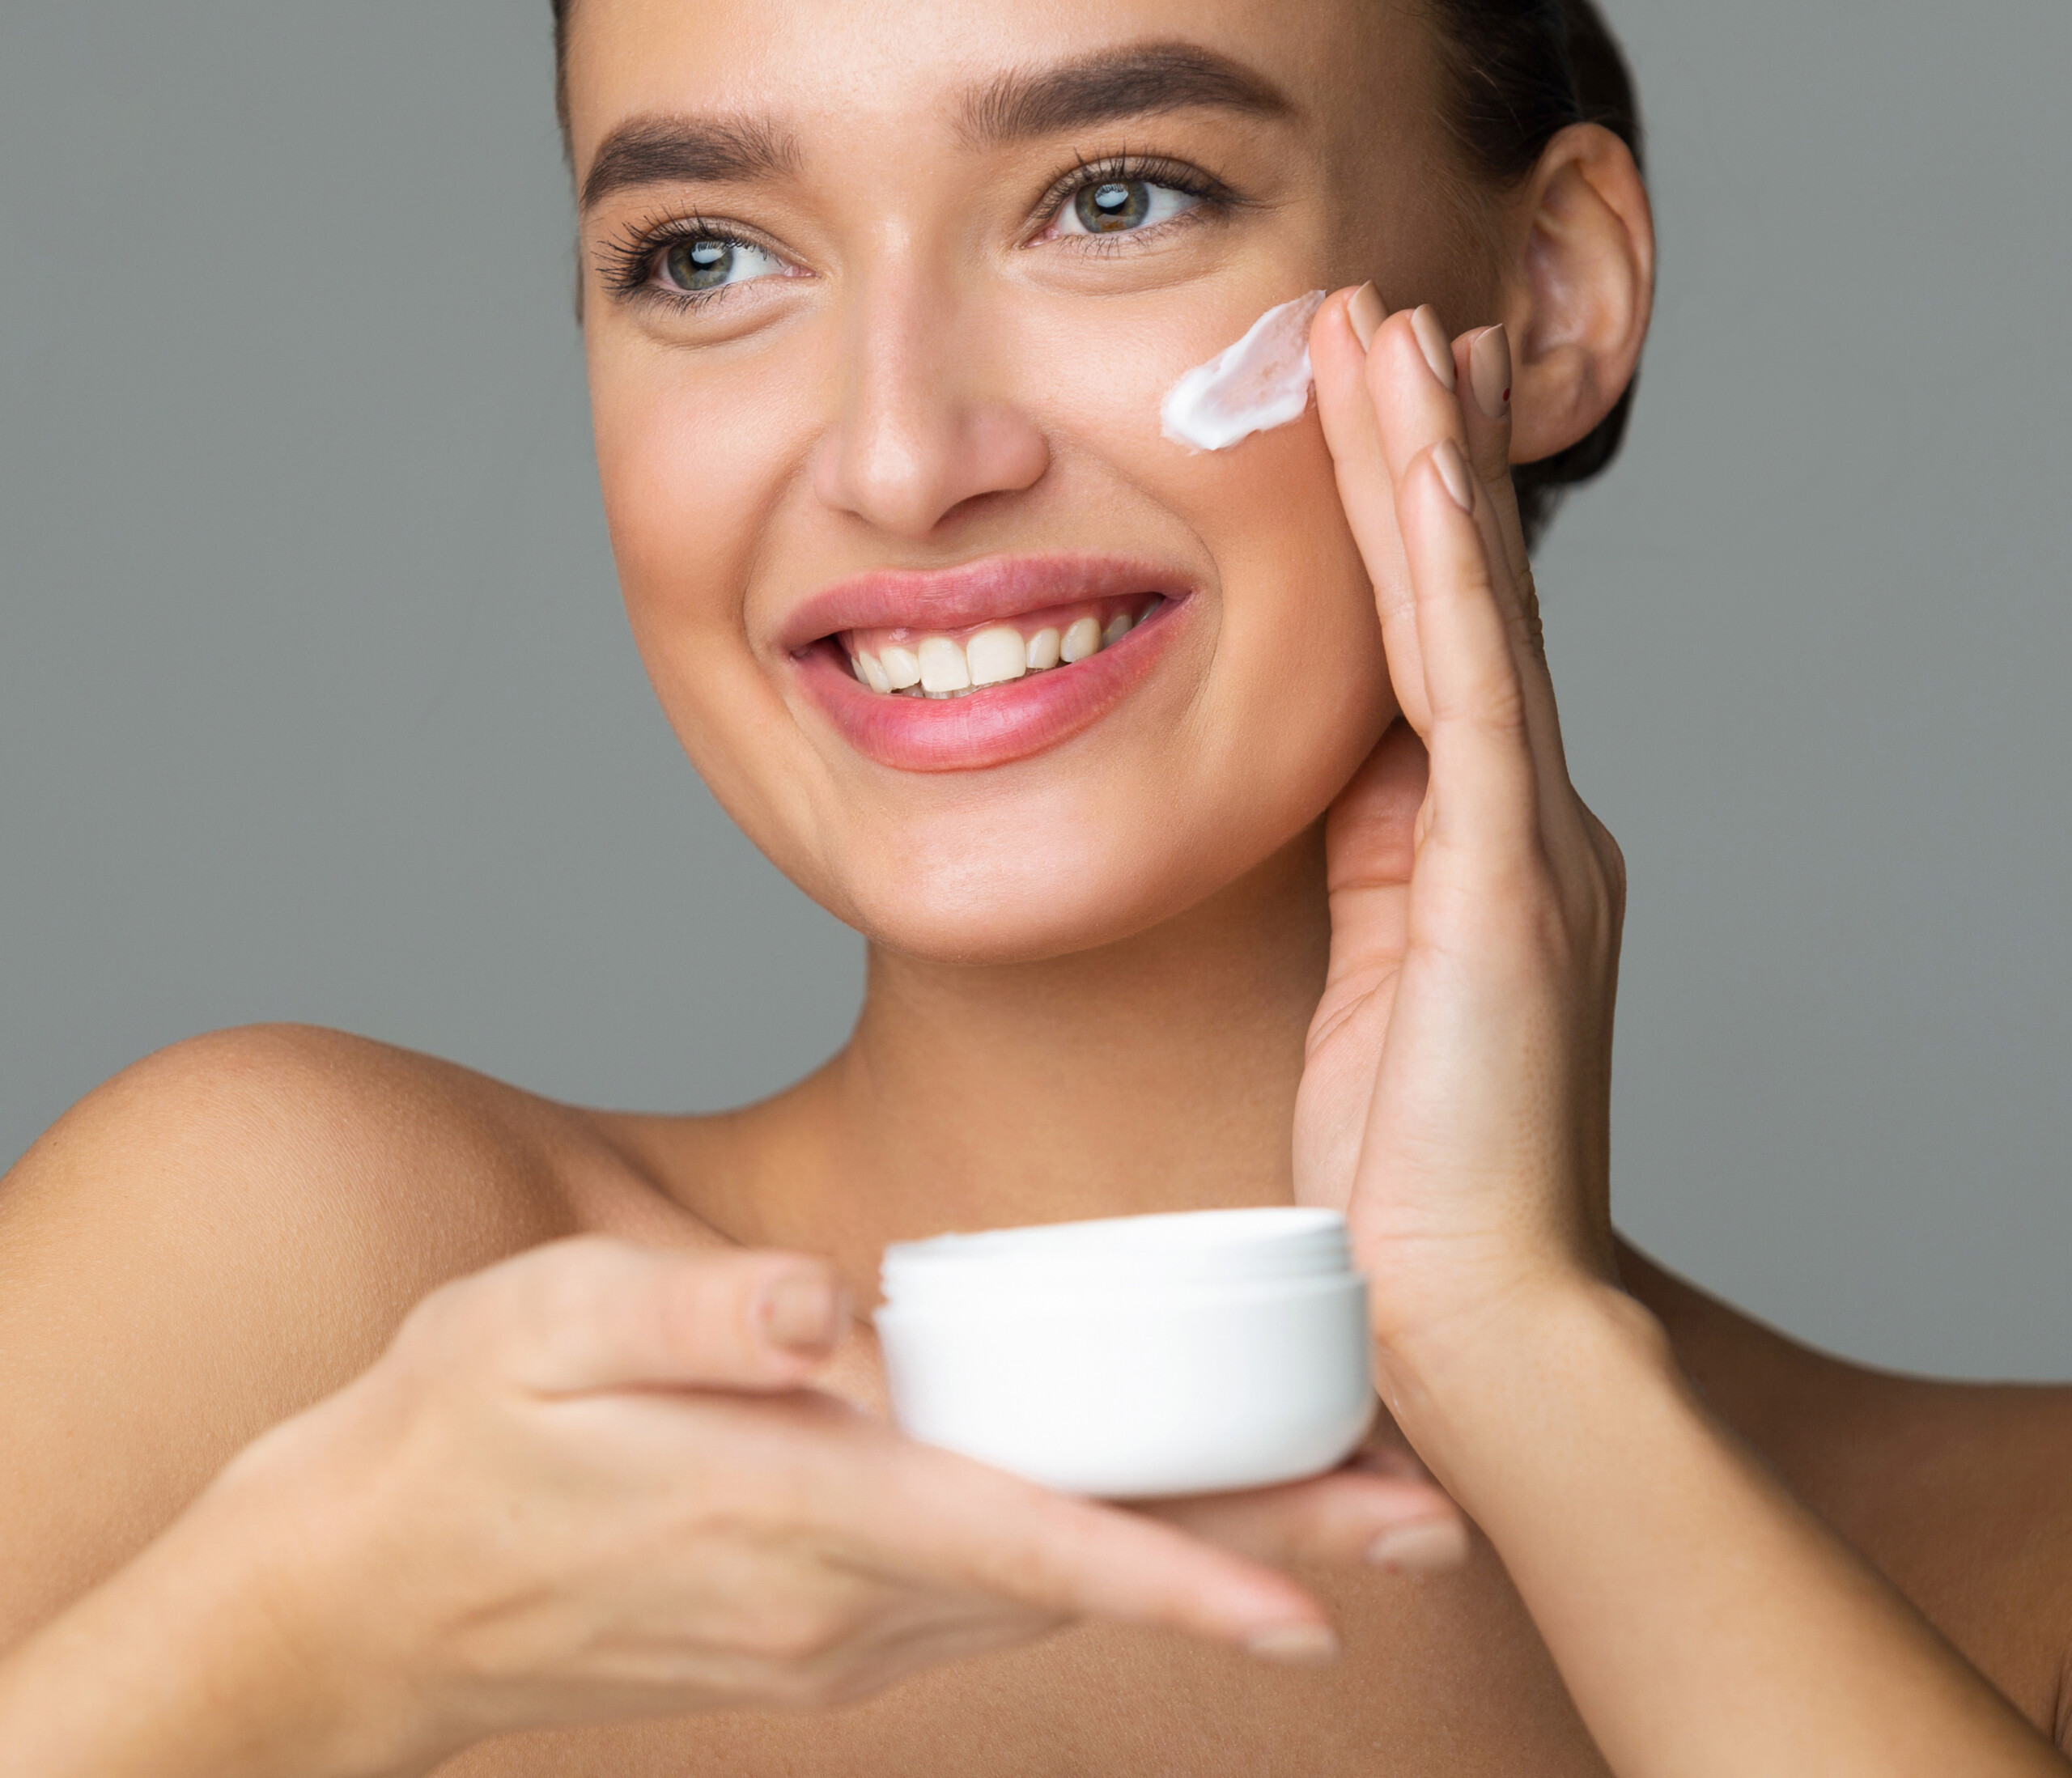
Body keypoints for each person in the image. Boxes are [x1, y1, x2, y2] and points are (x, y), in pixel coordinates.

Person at [1, 0, 2067, 1772]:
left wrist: (1511, 1347)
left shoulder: (2016, 1560)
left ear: (1544, 297)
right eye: (707, 253)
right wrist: (292, 1651)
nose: (900, 456)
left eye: (1114, 198)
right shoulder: (311, 1299)